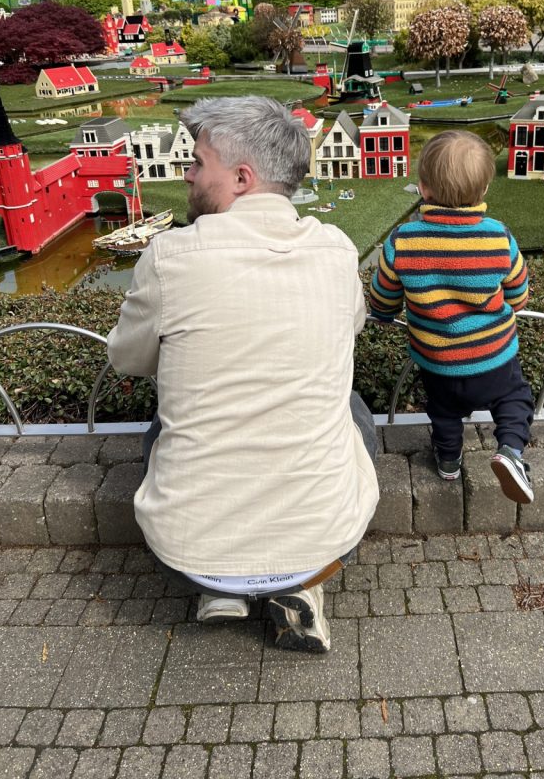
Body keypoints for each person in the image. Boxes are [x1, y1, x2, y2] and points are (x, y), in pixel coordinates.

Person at [107, 96, 379, 652]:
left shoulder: (170, 256)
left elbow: (127, 360)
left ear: (240, 177)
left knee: (163, 424)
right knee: (353, 410)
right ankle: (301, 589)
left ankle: (220, 590)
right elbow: (349, 328)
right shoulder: (335, 249)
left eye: (197, 162)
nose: (186, 174)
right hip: (325, 544)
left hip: (186, 556)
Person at [369, 130, 534, 504]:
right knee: (514, 398)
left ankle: (448, 461)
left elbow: (383, 299)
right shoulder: (498, 238)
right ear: (485, 189)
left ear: (423, 189)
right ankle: (510, 449)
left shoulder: (404, 241)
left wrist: (381, 313)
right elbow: (519, 295)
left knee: (443, 411)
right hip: (494, 358)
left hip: (437, 361)